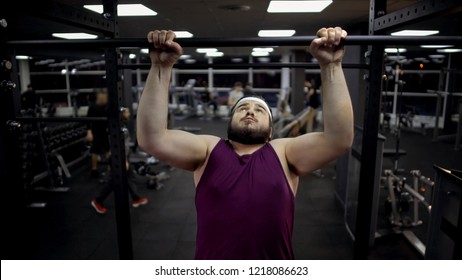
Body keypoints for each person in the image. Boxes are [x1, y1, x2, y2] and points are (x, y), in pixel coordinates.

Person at [137, 27, 353, 259]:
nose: (250, 111)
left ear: (270, 131)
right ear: (230, 122)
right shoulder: (209, 149)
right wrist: (160, 67)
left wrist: (331, 66)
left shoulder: (283, 152)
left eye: (259, 110)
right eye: (242, 108)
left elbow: (338, 139)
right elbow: (153, 138)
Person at [91, 107, 148, 214]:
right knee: (114, 181)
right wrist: (123, 160)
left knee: (129, 177)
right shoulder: (116, 127)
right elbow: (115, 145)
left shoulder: (122, 126)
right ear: (121, 114)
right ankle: (98, 201)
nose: (129, 113)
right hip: (118, 158)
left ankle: (136, 199)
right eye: (127, 112)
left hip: (121, 157)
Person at [86, 89, 110, 179]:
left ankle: (110, 167)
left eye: (105, 96)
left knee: (108, 150)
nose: (104, 97)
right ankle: (94, 169)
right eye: (102, 96)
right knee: (95, 151)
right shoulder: (93, 107)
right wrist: (89, 132)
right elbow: (88, 121)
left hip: (105, 131)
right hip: (96, 131)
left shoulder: (106, 106)